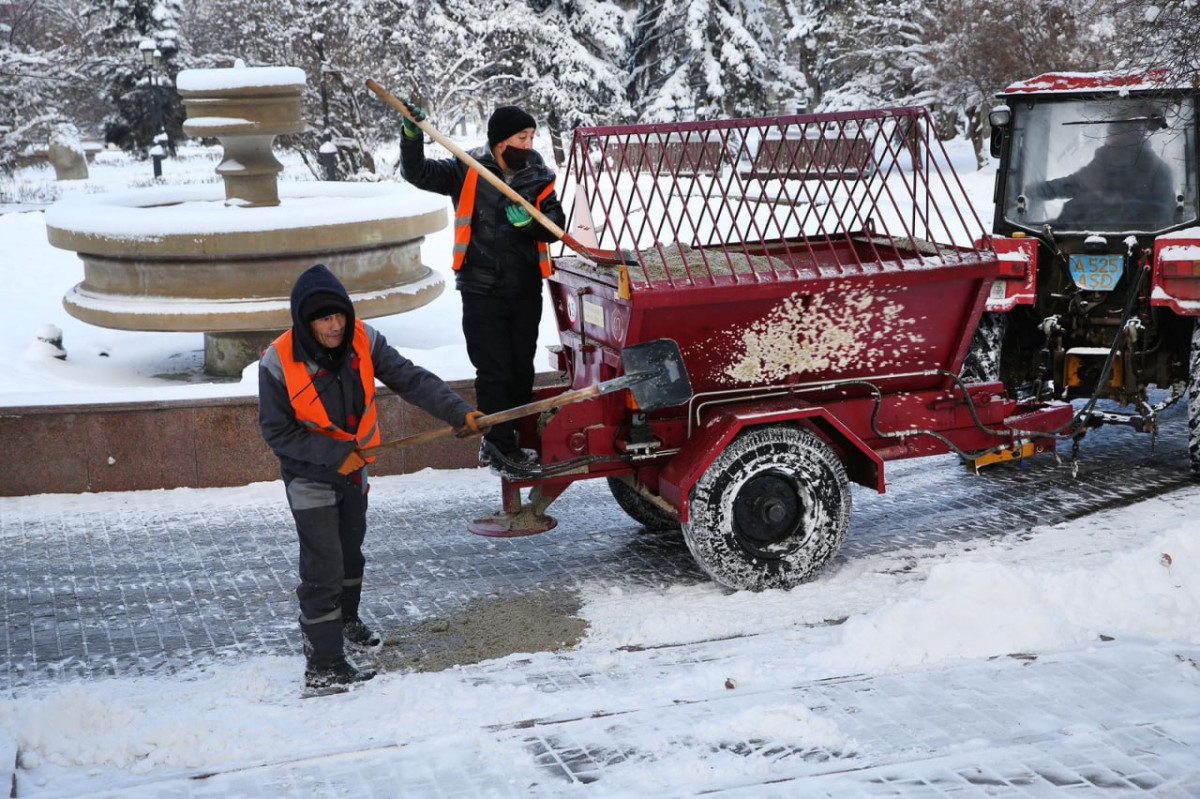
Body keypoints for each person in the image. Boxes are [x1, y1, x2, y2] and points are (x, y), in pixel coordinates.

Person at [259, 263, 485, 691]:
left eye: (340, 314)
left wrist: (458, 411)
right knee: (322, 568)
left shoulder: (365, 339)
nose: (336, 325)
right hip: (309, 476)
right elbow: (277, 432)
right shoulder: (277, 361)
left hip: (355, 470)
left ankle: (346, 621)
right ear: (305, 322)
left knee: (350, 554)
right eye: (325, 318)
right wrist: (331, 455)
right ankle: (324, 666)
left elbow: (410, 379)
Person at [400, 103, 566, 468]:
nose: (529, 143)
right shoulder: (467, 168)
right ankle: (497, 444)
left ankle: (516, 439)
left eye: (532, 136)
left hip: (524, 287)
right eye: (522, 137)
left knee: (521, 367)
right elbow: (418, 173)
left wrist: (530, 226)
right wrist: (412, 139)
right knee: (493, 370)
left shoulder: (537, 174)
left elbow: (556, 222)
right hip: (480, 288)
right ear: (501, 143)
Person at [1029, 118, 1175, 228]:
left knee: (1073, 208)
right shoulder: (1160, 167)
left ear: (1125, 135)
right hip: (1149, 232)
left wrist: (1040, 190)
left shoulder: (1111, 158)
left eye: (1111, 133)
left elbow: (1076, 184)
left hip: (1122, 228)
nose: (1108, 138)